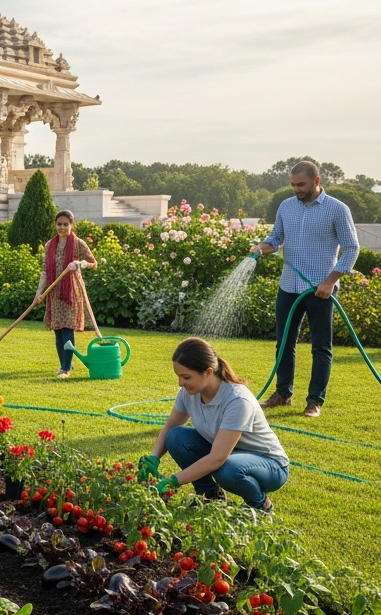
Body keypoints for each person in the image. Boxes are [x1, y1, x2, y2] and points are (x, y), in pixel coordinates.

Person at [250, 160, 359, 418]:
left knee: (320, 347)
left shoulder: (337, 209)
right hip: (289, 286)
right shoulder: (286, 206)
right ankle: (282, 394)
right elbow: (276, 238)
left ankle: (314, 401)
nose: (296, 189)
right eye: (293, 185)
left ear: (316, 181)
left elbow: (352, 248)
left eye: (301, 184)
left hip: (321, 289)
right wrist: (262, 248)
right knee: (284, 343)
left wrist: (330, 281)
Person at [139, 337, 289, 512]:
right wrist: (154, 458)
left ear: (208, 372)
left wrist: (174, 481)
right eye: (178, 376)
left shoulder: (237, 400)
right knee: (175, 436)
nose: (180, 383)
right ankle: (209, 495)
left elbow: (217, 458)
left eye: (186, 377)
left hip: (269, 464)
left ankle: (260, 504)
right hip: (229, 454)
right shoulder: (188, 393)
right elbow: (170, 427)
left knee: (227, 469)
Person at [32, 209, 97, 377]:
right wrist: (39, 293)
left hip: (71, 293)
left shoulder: (78, 244)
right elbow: (45, 271)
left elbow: (93, 263)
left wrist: (80, 264)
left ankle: (65, 368)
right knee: (58, 330)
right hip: (54, 293)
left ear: (72, 225)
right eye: (59, 224)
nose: (62, 227)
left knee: (67, 329)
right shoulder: (49, 245)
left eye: (65, 224)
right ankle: (66, 363)